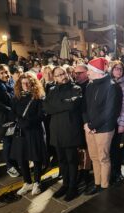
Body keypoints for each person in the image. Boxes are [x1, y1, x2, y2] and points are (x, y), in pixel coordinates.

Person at [43, 66, 83, 202]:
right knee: (62, 161)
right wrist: (64, 103)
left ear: (68, 73)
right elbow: (47, 108)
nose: (62, 76)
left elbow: (73, 105)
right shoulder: (52, 89)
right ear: (54, 78)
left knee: (72, 161)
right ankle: (65, 184)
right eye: (58, 75)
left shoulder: (76, 88)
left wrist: (57, 105)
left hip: (70, 129)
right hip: (56, 131)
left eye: (63, 73)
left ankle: (73, 187)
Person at [83, 57, 122, 195]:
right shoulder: (90, 85)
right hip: (90, 128)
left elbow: (110, 112)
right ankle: (97, 183)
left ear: (97, 71)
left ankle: (104, 186)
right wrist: (86, 124)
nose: (87, 72)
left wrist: (92, 125)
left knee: (103, 158)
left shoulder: (112, 86)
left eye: (89, 70)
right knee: (94, 157)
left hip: (104, 129)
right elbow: (85, 107)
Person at [11, 74, 47, 196]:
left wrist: (27, 122)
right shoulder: (16, 97)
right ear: (19, 84)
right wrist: (19, 121)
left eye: (28, 83)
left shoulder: (39, 97)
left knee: (36, 157)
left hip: (34, 130)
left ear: (33, 84)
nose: (25, 85)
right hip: (21, 131)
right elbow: (13, 112)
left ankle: (37, 182)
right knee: (22, 158)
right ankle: (27, 182)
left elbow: (42, 115)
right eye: (23, 83)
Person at [0, 64, 20, 177]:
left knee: (14, 142)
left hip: (14, 117)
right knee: (7, 142)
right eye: (1, 73)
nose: (5, 74)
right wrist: (13, 111)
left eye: (6, 72)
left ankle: (15, 164)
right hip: (5, 119)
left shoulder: (11, 82)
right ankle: (10, 166)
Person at [110, 60, 124, 184]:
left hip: (117, 123)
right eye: (116, 68)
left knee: (115, 150)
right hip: (108, 122)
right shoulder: (109, 83)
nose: (118, 71)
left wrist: (122, 124)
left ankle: (116, 174)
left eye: (120, 69)